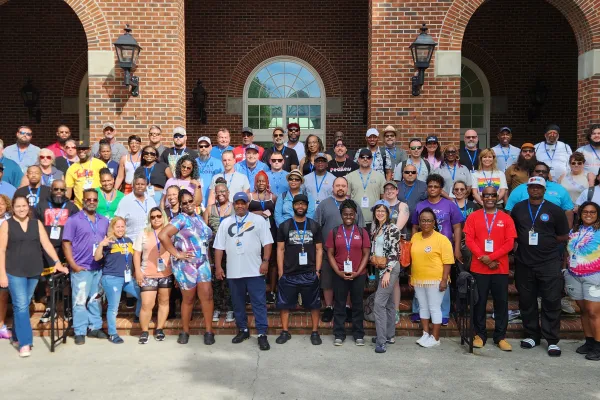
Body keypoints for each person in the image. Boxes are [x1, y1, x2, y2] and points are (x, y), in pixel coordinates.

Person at [0, 195, 68, 357]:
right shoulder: (6, 225)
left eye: (24, 206)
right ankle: (25, 342)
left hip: (33, 271)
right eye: (18, 206)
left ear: (28, 207)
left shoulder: (36, 224)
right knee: (22, 305)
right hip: (14, 270)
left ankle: (16, 335)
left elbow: (46, 245)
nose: (21, 209)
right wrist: (2, 273)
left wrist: (57, 262)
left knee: (21, 305)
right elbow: (1, 250)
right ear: (13, 208)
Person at [512, 176, 569, 356]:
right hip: (524, 262)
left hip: (549, 262)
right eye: (532, 187)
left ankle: (551, 340)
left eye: (538, 187)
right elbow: (513, 232)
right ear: (527, 189)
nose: (535, 190)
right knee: (527, 300)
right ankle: (531, 335)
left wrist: (548, 242)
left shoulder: (555, 210)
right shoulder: (519, 208)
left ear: (544, 190)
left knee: (551, 300)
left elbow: (563, 234)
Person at [213, 192, 273, 350]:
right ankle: (243, 330)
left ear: (247, 204)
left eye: (243, 203)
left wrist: (266, 261)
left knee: (258, 304)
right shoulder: (226, 222)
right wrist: (218, 266)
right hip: (234, 271)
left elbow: (267, 243)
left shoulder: (258, 220)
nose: (240, 206)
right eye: (237, 203)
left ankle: (261, 333)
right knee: (238, 303)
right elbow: (219, 247)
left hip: (255, 270)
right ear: (233, 204)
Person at [158, 189, 215, 345]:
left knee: (207, 296)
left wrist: (210, 261)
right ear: (181, 205)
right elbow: (163, 235)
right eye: (185, 203)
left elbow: (205, 242)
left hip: (203, 263)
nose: (189, 204)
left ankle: (209, 331)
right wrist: (177, 254)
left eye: (191, 201)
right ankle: (185, 331)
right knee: (188, 299)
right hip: (186, 265)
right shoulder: (180, 219)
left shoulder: (199, 218)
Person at [464, 186, 516, 351]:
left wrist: (491, 258)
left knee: (501, 303)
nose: (490, 198)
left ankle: (500, 337)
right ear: (481, 197)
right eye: (486, 195)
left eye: (493, 195)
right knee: (479, 303)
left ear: (497, 197)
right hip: (479, 268)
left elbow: (510, 243)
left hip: (499, 268)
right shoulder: (473, 217)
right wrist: (483, 258)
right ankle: (479, 335)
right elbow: (470, 240)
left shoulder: (506, 218)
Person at [411, 174, 464, 325]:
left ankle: (444, 313)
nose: (433, 189)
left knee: (443, 279)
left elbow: (457, 227)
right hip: (423, 248)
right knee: (420, 277)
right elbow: (415, 227)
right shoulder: (420, 206)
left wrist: (457, 248)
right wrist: (414, 245)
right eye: (430, 186)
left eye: (436, 186)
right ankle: (418, 310)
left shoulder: (449, 205)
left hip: (443, 247)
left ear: (441, 189)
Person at [62, 189, 110, 345]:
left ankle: (95, 327)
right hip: (81, 267)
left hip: (98, 267)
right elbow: (66, 243)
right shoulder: (73, 220)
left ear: (98, 201)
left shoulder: (104, 220)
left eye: (94, 199)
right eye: (88, 199)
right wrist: (73, 265)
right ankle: (80, 330)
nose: (91, 202)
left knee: (95, 299)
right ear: (83, 200)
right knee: (80, 300)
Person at [315, 177, 366, 322]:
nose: (340, 188)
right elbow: (317, 226)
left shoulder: (354, 205)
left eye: (343, 185)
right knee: (327, 281)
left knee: (349, 280)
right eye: (337, 185)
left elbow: (361, 227)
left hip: (350, 253)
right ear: (333, 187)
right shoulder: (324, 205)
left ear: (347, 187)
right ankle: (329, 307)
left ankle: (348, 307)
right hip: (328, 251)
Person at [275, 194, 323, 346]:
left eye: (303, 204)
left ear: (307, 206)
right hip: (289, 273)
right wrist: (281, 272)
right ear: (293, 206)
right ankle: (285, 331)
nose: (300, 206)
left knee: (314, 304)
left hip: (309, 272)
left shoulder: (314, 226)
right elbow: (280, 249)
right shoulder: (285, 226)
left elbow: (319, 249)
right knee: (284, 304)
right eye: (297, 204)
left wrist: (317, 271)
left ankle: (315, 332)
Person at [33, 180, 79, 323]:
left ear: (66, 191)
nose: (59, 192)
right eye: (56, 189)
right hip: (47, 249)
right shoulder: (41, 206)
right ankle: (50, 308)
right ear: (51, 190)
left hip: (66, 248)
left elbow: (78, 228)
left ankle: (66, 308)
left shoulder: (72, 207)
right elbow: (35, 226)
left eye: (62, 190)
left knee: (65, 279)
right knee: (49, 280)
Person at [326, 200, 370, 347]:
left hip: (359, 274)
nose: (349, 216)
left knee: (357, 304)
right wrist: (338, 271)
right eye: (345, 214)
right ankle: (339, 334)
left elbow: (366, 254)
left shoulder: (362, 232)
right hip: (340, 274)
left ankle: (358, 334)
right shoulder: (334, 232)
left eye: (351, 214)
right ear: (341, 215)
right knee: (339, 304)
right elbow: (330, 254)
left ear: (355, 215)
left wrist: (357, 272)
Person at [410, 208, 454, 348]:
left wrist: (444, 279)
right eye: (423, 220)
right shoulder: (415, 237)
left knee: (434, 308)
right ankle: (425, 334)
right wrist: (412, 277)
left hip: (436, 280)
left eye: (429, 220)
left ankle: (435, 337)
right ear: (419, 221)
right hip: (418, 279)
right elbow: (412, 259)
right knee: (423, 307)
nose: (426, 223)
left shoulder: (442, 239)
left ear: (434, 222)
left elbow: (447, 261)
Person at [94, 216, 141, 344]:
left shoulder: (129, 240)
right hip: (112, 278)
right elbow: (97, 258)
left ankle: (137, 316)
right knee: (113, 307)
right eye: (117, 226)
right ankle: (112, 334)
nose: (120, 229)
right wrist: (100, 246)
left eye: (122, 226)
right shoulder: (108, 241)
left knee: (142, 295)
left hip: (127, 278)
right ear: (113, 228)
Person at [564, 201, 600, 360]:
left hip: (594, 276)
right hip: (574, 275)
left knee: (594, 312)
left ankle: (598, 346)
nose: (589, 214)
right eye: (585, 211)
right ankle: (589, 341)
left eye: (593, 212)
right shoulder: (574, 230)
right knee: (584, 310)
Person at [134, 207, 173, 343]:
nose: (156, 219)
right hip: (148, 275)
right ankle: (144, 331)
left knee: (164, 302)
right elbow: (137, 253)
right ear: (149, 219)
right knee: (146, 304)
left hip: (166, 273)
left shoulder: (170, 232)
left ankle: (160, 329)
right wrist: (138, 271)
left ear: (163, 217)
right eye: (153, 217)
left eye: (158, 216)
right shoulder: (144, 233)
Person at [369, 201, 401, 353]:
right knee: (388, 304)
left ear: (388, 213)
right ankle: (389, 334)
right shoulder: (376, 228)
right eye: (377, 210)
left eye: (383, 210)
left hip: (390, 268)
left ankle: (381, 341)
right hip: (379, 268)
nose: (380, 213)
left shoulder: (392, 228)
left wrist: (388, 271)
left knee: (378, 303)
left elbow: (395, 252)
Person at [505, 162, 574, 228]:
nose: (541, 173)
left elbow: (568, 210)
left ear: (548, 174)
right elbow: (510, 210)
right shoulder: (520, 189)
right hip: (524, 230)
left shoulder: (559, 189)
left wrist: (567, 231)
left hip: (552, 231)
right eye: (537, 171)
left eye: (544, 172)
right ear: (531, 173)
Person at [203, 180, 234, 323]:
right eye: (217, 192)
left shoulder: (234, 208)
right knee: (215, 280)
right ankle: (217, 308)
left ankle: (229, 308)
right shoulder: (210, 209)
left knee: (229, 279)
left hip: (231, 249)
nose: (220, 194)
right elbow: (204, 230)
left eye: (223, 191)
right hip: (213, 248)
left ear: (228, 193)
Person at [248, 172, 278, 301]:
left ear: (267, 182)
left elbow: (276, 214)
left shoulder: (273, 197)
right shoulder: (249, 196)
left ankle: (271, 291)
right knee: (254, 261)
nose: (261, 183)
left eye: (263, 181)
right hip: (253, 233)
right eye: (258, 181)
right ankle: (252, 291)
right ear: (255, 182)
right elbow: (244, 213)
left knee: (271, 262)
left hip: (270, 232)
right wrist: (258, 213)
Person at [382, 180, 409, 323]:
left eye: (392, 188)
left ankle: (396, 310)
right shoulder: (381, 204)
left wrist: (383, 234)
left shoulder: (402, 206)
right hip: (381, 248)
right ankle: (385, 307)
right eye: (387, 189)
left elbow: (397, 227)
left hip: (396, 247)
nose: (389, 191)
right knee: (383, 279)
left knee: (395, 280)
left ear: (397, 191)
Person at [347, 149, 386, 229]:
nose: (365, 159)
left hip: (374, 219)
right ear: (358, 159)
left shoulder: (380, 176)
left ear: (371, 160)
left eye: (368, 157)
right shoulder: (349, 176)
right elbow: (347, 198)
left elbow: (383, 198)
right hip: (355, 219)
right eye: (362, 157)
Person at [65, 140, 107, 209]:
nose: (81, 151)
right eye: (79, 149)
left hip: (98, 206)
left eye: (84, 149)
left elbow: (106, 184)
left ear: (89, 149)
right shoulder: (71, 169)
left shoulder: (100, 164)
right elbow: (68, 192)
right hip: (79, 208)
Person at [397, 163, 428, 236]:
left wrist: (450, 198)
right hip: (401, 225)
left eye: (413, 172)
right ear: (403, 174)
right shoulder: (396, 186)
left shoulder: (425, 186)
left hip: (418, 226)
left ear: (416, 174)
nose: (410, 174)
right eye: (407, 172)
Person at [196, 136, 223, 207]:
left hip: (213, 201)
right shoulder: (193, 163)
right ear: (198, 148)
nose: (203, 148)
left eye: (206, 146)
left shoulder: (218, 163)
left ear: (211, 147)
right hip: (197, 201)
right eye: (201, 146)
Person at [0, 194, 11, 340]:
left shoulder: (11, 220)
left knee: (2, 295)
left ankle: (1, 324)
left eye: (1, 203)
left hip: (6, 261)